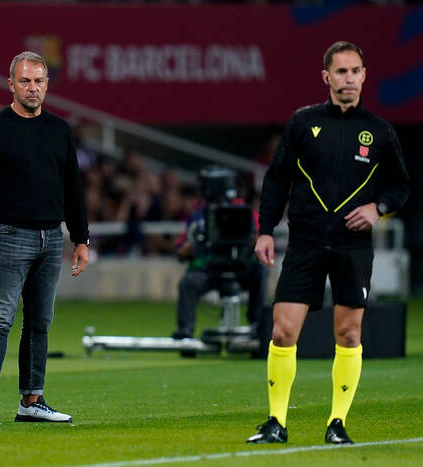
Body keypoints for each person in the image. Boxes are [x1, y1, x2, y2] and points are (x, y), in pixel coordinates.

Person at [247, 41, 410, 445]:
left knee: (349, 335)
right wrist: (266, 229)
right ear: (326, 77)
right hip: (304, 242)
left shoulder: (380, 132)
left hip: (353, 246)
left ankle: (337, 424)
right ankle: (276, 422)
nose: (349, 79)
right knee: (283, 332)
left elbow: (401, 185)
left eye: (355, 71)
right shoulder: (303, 123)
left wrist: (379, 207)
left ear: (364, 76)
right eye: (341, 72)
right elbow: (277, 179)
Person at [0, 51, 89, 424]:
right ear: (11, 85)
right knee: (0, 317)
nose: (32, 88)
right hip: (9, 234)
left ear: (47, 85)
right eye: (24, 81)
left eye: (38, 81)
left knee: (39, 321)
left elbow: (73, 189)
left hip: (52, 238)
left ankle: (31, 401)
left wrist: (81, 237)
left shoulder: (60, 130)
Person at [171, 167, 266, 343]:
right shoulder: (198, 216)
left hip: (239, 268)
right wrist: (188, 250)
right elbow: (180, 251)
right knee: (188, 283)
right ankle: (185, 331)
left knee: (259, 272)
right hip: (210, 269)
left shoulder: (245, 213)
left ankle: (258, 325)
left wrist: (253, 241)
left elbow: (261, 238)